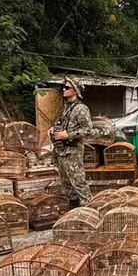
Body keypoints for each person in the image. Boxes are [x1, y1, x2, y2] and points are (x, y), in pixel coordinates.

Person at [50, 77, 92, 208]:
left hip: (72, 151)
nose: (63, 89)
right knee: (67, 185)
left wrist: (68, 135)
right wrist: (53, 129)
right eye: (64, 87)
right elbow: (61, 124)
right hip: (61, 151)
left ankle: (89, 211)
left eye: (67, 88)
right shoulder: (66, 108)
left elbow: (88, 130)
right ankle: (74, 211)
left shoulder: (80, 108)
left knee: (79, 183)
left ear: (75, 90)